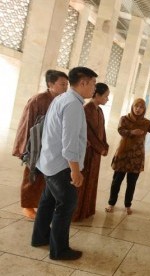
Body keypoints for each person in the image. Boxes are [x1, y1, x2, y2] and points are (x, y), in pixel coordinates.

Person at [31, 67, 98, 261]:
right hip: (61, 166)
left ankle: (39, 238)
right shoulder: (73, 105)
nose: (94, 88)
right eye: (93, 84)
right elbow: (69, 142)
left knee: (47, 202)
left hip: (49, 162)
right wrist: (75, 171)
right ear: (83, 83)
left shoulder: (61, 98)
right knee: (66, 204)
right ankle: (59, 250)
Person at [12, 70, 69, 219]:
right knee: (32, 177)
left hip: (53, 148)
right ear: (50, 84)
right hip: (36, 147)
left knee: (47, 179)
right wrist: (25, 149)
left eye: (67, 84)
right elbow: (27, 124)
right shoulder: (37, 100)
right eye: (62, 84)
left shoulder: (62, 101)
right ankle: (28, 206)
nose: (66, 87)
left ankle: (42, 205)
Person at [105, 98, 150, 215]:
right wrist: (132, 132)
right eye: (136, 106)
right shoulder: (124, 119)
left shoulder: (146, 123)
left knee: (131, 183)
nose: (138, 109)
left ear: (144, 109)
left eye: (141, 107)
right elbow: (120, 130)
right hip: (123, 154)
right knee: (116, 181)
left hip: (136, 157)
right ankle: (111, 204)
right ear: (133, 106)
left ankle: (127, 205)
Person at [73, 83, 110, 221]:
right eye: (106, 96)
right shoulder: (86, 109)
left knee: (92, 180)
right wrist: (100, 148)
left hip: (96, 153)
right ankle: (77, 212)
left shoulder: (99, 111)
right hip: (87, 152)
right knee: (83, 180)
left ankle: (87, 209)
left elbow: (102, 132)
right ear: (98, 95)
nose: (107, 99)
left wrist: (105, 145)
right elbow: (87, 133)